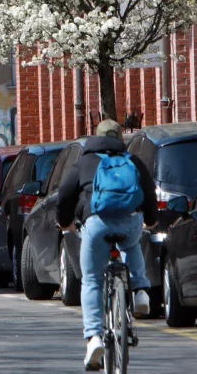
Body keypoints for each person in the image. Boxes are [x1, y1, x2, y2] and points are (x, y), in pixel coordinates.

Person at [56, 118, 158, 371]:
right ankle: (140, 290)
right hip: (130, 221)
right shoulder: (133, 161)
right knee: (132, 244)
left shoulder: (83, 162)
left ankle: (93, 338)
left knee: (91, 280)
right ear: (120, 139)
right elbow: (148, 192)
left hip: (97, 222)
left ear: (95, 137)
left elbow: (64, 195)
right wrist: (151, 221)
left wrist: (65, 223)